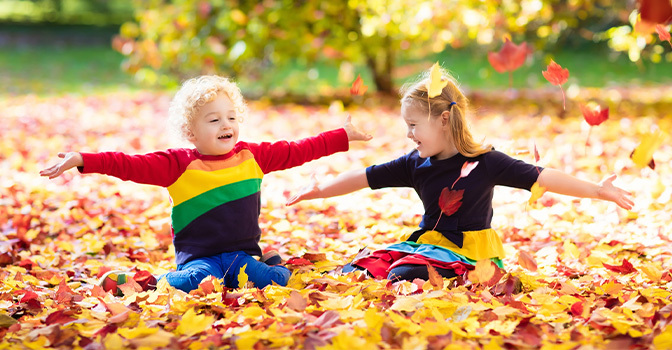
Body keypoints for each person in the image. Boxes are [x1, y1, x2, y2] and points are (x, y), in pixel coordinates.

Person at [286, 67, 634, 283]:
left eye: (413, 125)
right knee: (363, 266)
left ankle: (461, 277)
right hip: (429, 245)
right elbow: (364, 177)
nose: (408, 134)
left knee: (404, 274)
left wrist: (598, 191)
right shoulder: (415, 163)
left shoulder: (487, 162)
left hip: (471, 252)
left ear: (443, 120)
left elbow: (542, 177)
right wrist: (318, 189)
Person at [40, 75, 372, 294]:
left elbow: (299, 149)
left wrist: (341, 136)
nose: (226, 125)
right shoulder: (176, 164)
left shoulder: (253, 157)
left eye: (231, 117)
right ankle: (148, 282)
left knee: (271, 282)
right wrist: (83, 158)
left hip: (242, 256)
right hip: (200, 259)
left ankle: (271, 264)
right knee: (195, 283)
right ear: (191, 132)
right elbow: (129, 164)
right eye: (214, 120)